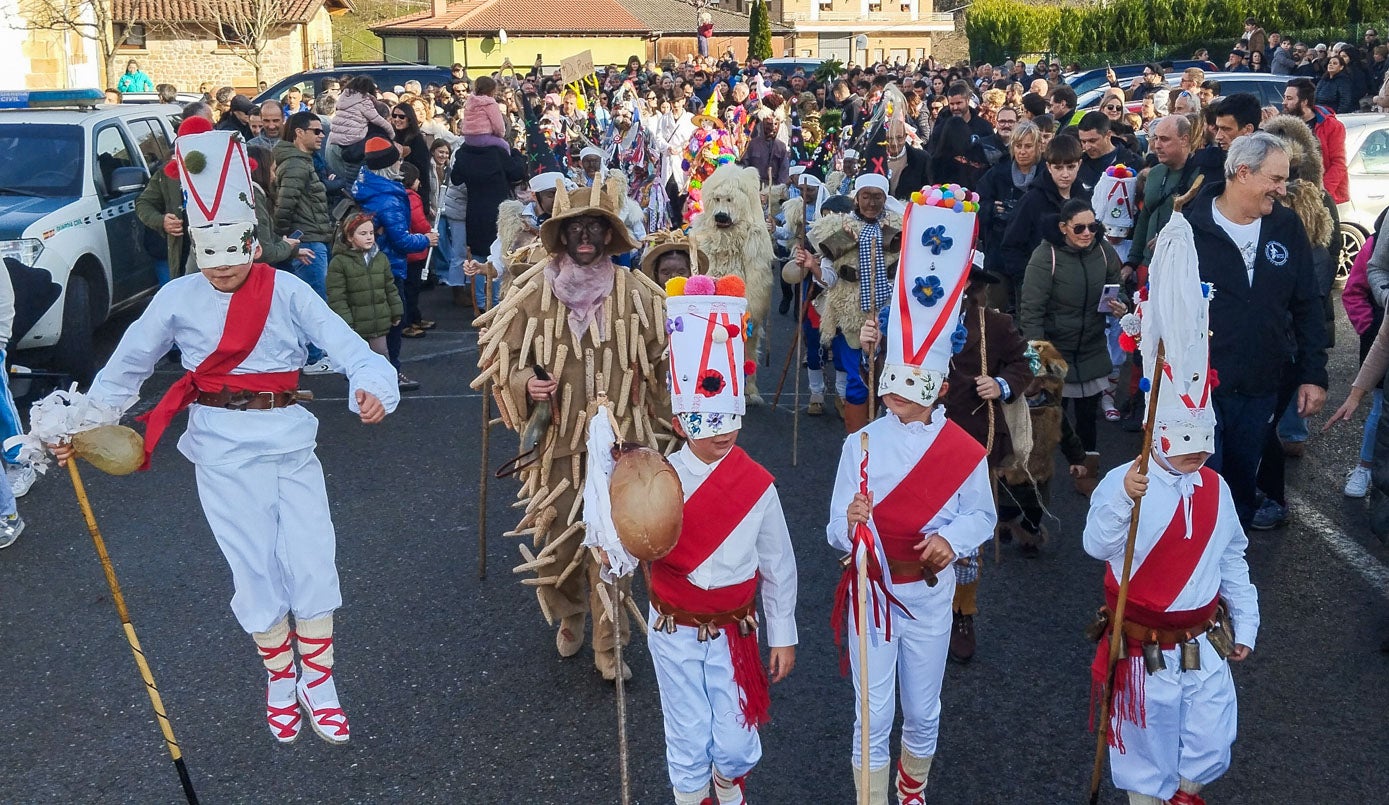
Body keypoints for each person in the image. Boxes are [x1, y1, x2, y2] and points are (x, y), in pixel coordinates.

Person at [46, 130, 399, 744]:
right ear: (195, 251)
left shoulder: (286, 289)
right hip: (219, 444)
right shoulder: (175, 297)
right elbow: (124, 369)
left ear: (253, 242)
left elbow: (347, 347)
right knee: (253, 565)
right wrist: (75, 427)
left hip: (289, 436)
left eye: (234, 251)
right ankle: (279, 677)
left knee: (313, 556)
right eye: (210, 255)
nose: (224, 266)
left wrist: (371, 383)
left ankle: (320, 680)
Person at [1084, 200, 1258, 805]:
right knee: (1142, 753)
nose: (1194, 461)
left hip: (1201, 643)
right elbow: (1098, 547)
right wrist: (1122, 501)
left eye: (1201, 450)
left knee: (1211, 740)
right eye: (1183, 451)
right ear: (1159, 439)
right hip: (1141, 649)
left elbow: (1233, 557)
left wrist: (1249, 621)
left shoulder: (1216, 489)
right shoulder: (1127, 478)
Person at [827, 195, 996, 802]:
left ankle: (911, 788)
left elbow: (982, 513)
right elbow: (833, 528)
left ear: (939, 385)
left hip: (928, 592)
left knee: (923, 708)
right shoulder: (862, 443)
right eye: (891, 382)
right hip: (872, 593)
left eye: (911, 385)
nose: (894, 395)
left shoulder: (960, 449)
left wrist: (952, 539)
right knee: (871, 713)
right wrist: (849, 526)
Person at [473, 173, 670, 682]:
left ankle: (611, 642)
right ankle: (569, 613)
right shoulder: (531, 292)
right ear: (560, 235)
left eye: (595, 228)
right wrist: (524, 387)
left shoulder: (636, 292)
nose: (585, 236)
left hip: (621, 445)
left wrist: (674, 425)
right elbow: (503, 359)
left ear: (610, 235)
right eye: (575, 227)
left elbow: (662, 362)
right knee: (558, 537)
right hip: (556, 445)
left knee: (614, 542)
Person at [650, 278, 798, 805]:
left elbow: (779, 564)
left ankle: (727, 782)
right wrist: (611, 547)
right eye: (707, 420)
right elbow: (632, 546)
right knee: (687, 738)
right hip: (674, 627)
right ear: (679, 421)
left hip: (736, 631)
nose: (721, 431)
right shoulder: (656, 479)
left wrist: (782, 633)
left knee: (736, 744)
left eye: (729, 418)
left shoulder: (756, 483)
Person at [860, 255, 1031, 662]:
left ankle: (962, 611)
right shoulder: (900, 320)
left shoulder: (995, 323)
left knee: (964, 533)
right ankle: (892, 592)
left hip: (965, 438)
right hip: (905, 437)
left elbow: (1030, 362)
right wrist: (872, 346)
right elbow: (883, 378)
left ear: (969, 284)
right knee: (903, 519)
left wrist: (1004, 383)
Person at [1186, 132, 1327, 526]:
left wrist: (1313, 375)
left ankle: (1235, 564)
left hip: (1263, 382)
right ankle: (1200, 572)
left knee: (1243, 480)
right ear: (1243, 172)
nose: (1283, 190)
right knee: (1205, 481)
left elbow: (1307, 306)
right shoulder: (1188, 228)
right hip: (1202, 386)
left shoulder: (1286, 226)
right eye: (1276, 179)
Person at [1019, 197, 1127, 495]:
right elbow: (1030, 311)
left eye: (1093, 226)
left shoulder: (1104, 252)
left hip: (1091, 346)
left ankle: (1086, 475)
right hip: (1055, 350)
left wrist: (1121, 303)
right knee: (1049, 419)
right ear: (1063, 228)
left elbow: (1118, 286)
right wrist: (1038, 362)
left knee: (1087, 418)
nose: (1087, 233)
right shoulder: (1045, 256)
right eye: (1079, 227)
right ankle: (1033, 479)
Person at [792, 174, 902, 432]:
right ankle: (857, 441)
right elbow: (829, 279)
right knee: (856, 379)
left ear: (885, 198)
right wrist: (812, 266)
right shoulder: (839, 229)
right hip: (850, 315)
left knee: (889, 378)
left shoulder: (899, 226)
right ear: (857, 198)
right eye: (866, 196)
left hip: (888, 316)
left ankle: (886, 435)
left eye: (877, 197)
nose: (871, 203)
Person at [350, 138, 435, 391]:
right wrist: (426, 239)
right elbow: (401, 241)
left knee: (370, 324)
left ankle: (365, 372)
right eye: (397, 160)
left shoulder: (364, 185)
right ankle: (391, 373)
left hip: (369, 264)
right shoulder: (388, 198)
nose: (401, 163)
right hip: (388, 267)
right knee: (393, 323)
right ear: (388, 165)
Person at [272, 111, 336, 375]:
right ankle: (313, 358)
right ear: (299, 132)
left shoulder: (303, 161)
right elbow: (283, 207)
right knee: (312, 301)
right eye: (316, 131)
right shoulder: (297, 165)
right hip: (306, 240)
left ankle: (313, 354)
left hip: (310, 237)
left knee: (309, 299)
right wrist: (282, 241)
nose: (321, 136)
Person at [999, 134, 1089, 298]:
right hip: (1038, 289)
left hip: (1075, 287)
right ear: (1048, 167)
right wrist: (1029, 280)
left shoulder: (1083, 198)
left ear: (1079, 164)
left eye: (1070, 167)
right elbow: (1011, 245)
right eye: (1059, 168)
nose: (1065, 174)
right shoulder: (1032, 200)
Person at [978, 120, 1042, 312]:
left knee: (1030, 311)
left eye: (1028, 146)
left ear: (1038, 147)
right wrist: (991, 209)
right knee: (995, 312)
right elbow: (977, 202)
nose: (1022, 151)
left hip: (1034, 254)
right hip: (999, 252)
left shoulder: (1047, 172)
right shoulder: (998, 172)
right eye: (1018, 146)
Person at [327, 211, 401, 363]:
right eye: (363, 233)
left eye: (371, 233)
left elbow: (390, 287)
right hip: (355, 325)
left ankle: (384, 385)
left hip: (378, 322)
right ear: (349, 237)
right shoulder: (339, 262)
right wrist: (346, 322)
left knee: (381, 357)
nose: (369, 237)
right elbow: (337, 297)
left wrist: (396, 311)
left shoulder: (381, 258)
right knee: (357, 361)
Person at [1283, 77, 1351, 204]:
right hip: (1291, 194)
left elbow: (1338, 163)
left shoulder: (1331, 126)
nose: (1284, 102)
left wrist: (1321, 192)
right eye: (1285, 97)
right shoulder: (1284, 125)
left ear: (1304, 102)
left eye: (1289, 98)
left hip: (1323, 197)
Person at [1076, 112, 1141, 195]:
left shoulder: (1135, 163)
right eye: (1083, 141)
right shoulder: (1077, 164)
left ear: (1108, 135)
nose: (1087, 147)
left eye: (1092, 141)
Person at [460, 75, 510, 152]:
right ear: (492, 90)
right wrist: (500, 135)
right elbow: (498, 125)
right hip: (483, 138)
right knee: (505, 146)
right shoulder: (490, 104)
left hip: (468, 138)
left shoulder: (470, 101)